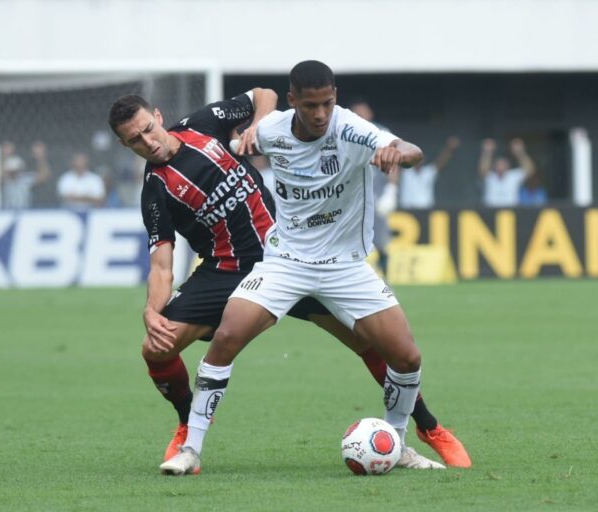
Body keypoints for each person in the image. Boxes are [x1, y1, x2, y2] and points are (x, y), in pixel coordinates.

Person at [108, 90, 465, 475]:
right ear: (124, 145)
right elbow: (162, 265)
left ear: (159, 116)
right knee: (155, 349)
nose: (148, 142)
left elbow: (264, 94)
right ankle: (186, 425)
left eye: (148, 129)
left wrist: (258, 126)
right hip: (224, 269)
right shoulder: (156, 190)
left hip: (288, 255)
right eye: (135, 140)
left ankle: (427, 426)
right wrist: (151, 311)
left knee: (370, 341)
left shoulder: (203, 124)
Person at [348, 99, 398, 276]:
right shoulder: (344, 132)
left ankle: (385, 277)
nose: (360, 116)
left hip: (375, 194)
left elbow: (394, 161)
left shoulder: (381, 133)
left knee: (380, 239)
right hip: (349, 195)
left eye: (363, 112)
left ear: (370, 113)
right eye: (357, 113)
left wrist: (391, 191)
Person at [398, 136, 460, 210]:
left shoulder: (428, 172)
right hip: (407, 211)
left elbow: (441, 162)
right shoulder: (405, 172)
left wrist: (449, 149)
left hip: (426, 211)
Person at [478, 138, 535, 207]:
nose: (501, 166)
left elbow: (529, 170)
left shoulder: (513, 176)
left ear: (508, 166)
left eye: (503, 164)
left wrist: (520, 152)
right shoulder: (490, 177)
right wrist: (487, 152)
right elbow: (483, 170)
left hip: (510, 211)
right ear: (494, 166)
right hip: (491, 211)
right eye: (499, 164)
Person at [0, 141, 51, 209]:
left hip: (25, 210)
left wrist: (40, 158)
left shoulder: (25, 179)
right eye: (12, 171)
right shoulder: (6, 179)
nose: (14, 173)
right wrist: (5, 156)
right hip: (7, 210)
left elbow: (44, 175)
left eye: (16, 170)